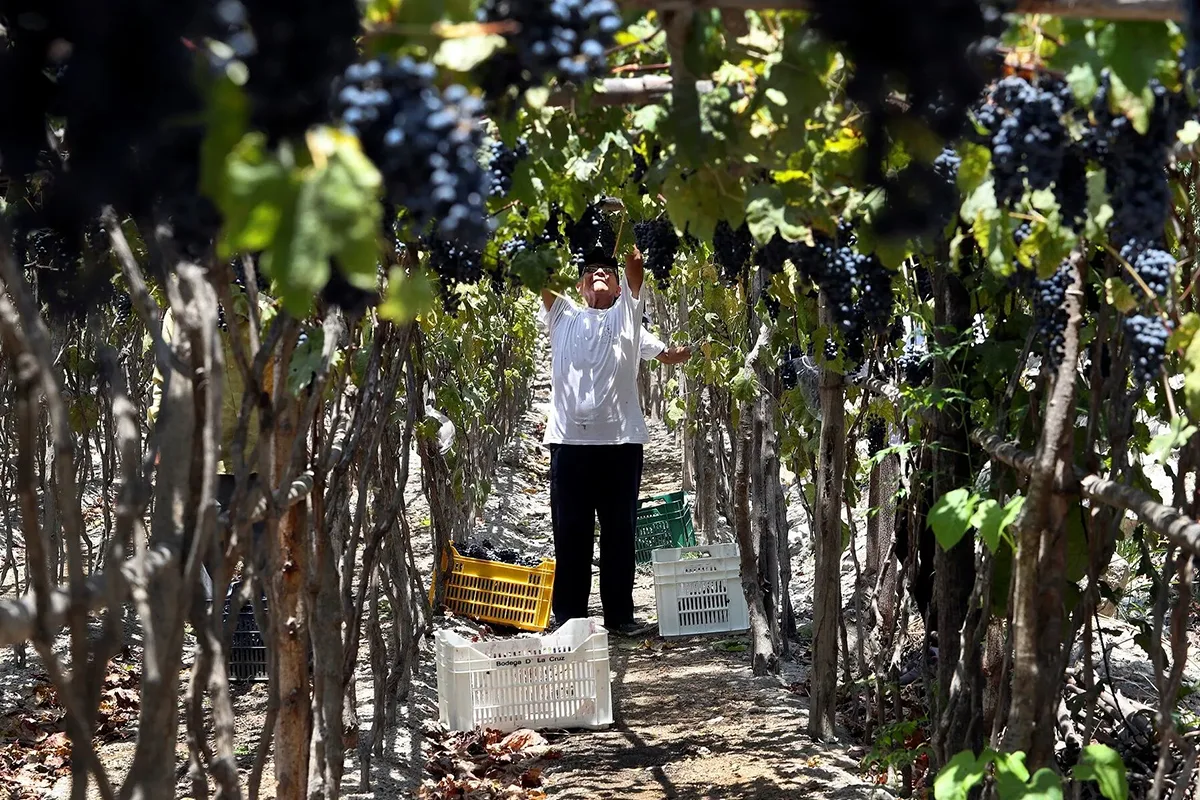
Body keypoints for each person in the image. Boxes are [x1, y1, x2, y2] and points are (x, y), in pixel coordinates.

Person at [539, 245, 692, 635]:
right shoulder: (563, 315)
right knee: (570, 533)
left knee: (618, 534)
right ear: (578, 285)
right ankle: (570, 618)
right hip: (569, 446)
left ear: (621, 288)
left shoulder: (628, 317)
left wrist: (625, 239)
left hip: (621, 445)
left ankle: (620, 618)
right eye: (589, 270)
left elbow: (636, 268)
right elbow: (541, 277)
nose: (599, 273)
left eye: (607, 269)